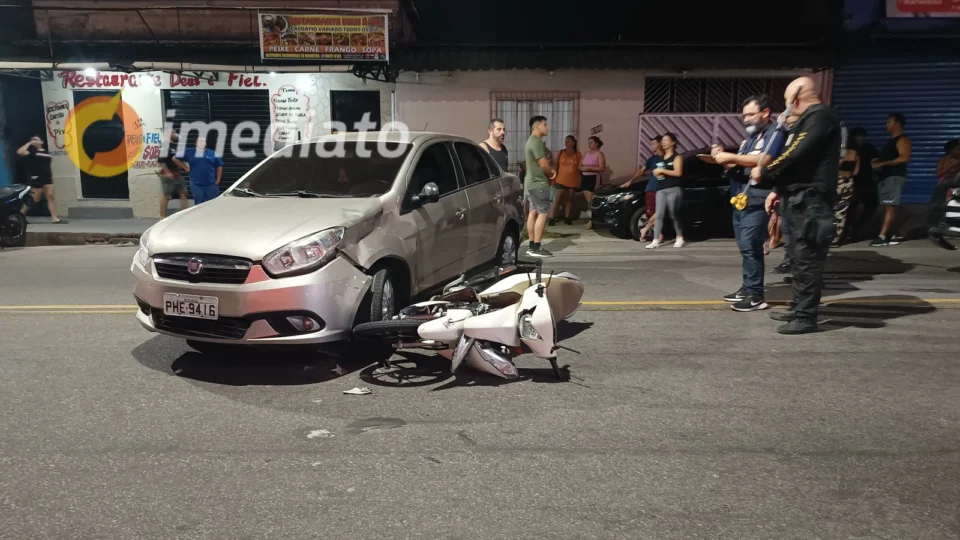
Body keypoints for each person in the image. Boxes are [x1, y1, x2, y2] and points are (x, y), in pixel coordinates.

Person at [752, 76, 840, 335]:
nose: (786, 109)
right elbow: (795, 161)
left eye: (787, 102)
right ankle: (798, 307)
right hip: (798, 198)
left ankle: (805, 316)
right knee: (798, 259)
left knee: (807, 260)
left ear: (796, 99)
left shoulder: (820, 116)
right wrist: (777, 190)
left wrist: (765, 172)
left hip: (811, 202)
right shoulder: (806, 120)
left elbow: (796, 154)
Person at [712, 94, 786, 312]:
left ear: (765, 112)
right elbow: (741, 167)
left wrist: (730, 157)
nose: (746, 119)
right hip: (741, 199)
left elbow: (766, 159)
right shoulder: (749, 139)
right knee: (745, 247)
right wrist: (723, 160)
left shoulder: (775, 133)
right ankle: (747, 288)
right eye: (744, 116)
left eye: (751, 114)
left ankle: (755, 295)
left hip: (758, 198)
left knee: (751, 246)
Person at [870, 113, 911, 247]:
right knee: (889, 207)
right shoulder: (891, 141)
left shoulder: (902, 139)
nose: (886, 125)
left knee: (890, 207)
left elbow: (904, 158)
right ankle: (893, 235)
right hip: (886, 178)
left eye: (888, 122)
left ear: (897, 124)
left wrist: (883, 163)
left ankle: (882, 237)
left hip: (894, 177)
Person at [523, 116, 557, 258]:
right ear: (537, 127)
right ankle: (536, 247)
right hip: (538, 184)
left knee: (533, 212)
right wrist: (551, 175)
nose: (547, 127)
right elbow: (543, 165)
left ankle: (531, 245)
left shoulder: (531, 142)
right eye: (545, 125)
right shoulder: (536, 142)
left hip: (530, 183)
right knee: (543, 213)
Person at [621, 135, 663, 242]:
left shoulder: (668, 158)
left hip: (663, 190)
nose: (651, 146)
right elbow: (641, 171)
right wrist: (630, 181)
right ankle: (654, 233)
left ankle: (652, 232)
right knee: (651, 213)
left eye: (653, 143)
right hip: (652, 189)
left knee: (660, 212)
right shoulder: (652, 159)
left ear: (660, 143)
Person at [647, 133, 686, 249]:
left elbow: (678, 173)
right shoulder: (659, 158)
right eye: (662, 140)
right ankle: (655, 240)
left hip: (674, 188)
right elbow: (658, 173)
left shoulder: (677, 157)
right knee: (659, 214)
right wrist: (658, 173)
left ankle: (679, 237)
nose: (663, 142)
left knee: (674, 214)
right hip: (661, 189)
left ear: (673, 142)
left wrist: (662, 171)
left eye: (666, 140)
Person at [17, 135, 67, 224]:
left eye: (36, 139)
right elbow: (20, 152)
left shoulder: (47, 152)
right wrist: (29, 143)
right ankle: (20, 216)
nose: (34, 141)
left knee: (50, 196)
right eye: (32, 140)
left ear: (41, 142)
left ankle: (54, 218)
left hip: (47, 178)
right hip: (37, 179)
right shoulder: (32, 152)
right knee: (34, 200)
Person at [846, 127, 879, 241]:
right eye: (857, 136)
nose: (860, 138)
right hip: (852, 182)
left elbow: (876, 163)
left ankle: (857, 229)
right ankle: (849, 232)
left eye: (862, 136)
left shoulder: (869, 148)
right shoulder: (849, 149)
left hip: (867, 182)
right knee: (850, 209)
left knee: (872, 206)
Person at [173, 136, 223, 205]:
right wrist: (185, 167)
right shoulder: (189, 152)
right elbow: (174, 158)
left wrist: (218, 179)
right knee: (199, 205)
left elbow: (219, 166)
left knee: (213, 204)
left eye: (204, 141)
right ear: (195, 143)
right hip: (196, 185)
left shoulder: (212, 153)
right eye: (200, 141)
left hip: (211, 184)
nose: (202, 143)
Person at [549, 135, 582, 226]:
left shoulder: (577, 154)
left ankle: (567, 218)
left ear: (573, 143)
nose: (566, 143)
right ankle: (552, 218)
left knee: (569, 200)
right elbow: (555, 165)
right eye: (565, 141)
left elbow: (580, 168)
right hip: (561, 179)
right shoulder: (560, 153)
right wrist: (554, 178)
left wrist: (579, 180)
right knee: (557, 200)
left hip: (572, 180)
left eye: (568, 141)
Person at [158, 129, 189, 219]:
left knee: (183, 193)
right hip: (167, 175)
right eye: (172, 132)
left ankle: (183, 215)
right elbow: (160, 161)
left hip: (177, 174)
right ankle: (162, 216)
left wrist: (184, 166)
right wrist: (167, 173)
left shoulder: (175, 145)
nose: (175, 133)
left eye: (175, 132)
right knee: (166, 196)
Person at [833, 143, 860, 245]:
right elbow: (856, 172)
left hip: (835, 181)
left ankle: (827, 236)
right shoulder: (855, 153)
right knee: (841, 211)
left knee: (830, 209)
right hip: (848, 182)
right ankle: (836, 239)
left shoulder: (836, 152)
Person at [578, 136, 605, 230]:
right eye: (588, 142)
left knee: (591, 201)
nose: (589, 144)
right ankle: (591, 220)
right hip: (585, 177)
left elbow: (602, 168)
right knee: (588, 201)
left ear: (596, 144)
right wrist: (583, 168)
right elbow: (580, 166)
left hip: (593, 177)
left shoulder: (599, 154)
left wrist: (590, 168)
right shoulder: (586, 153)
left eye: (591, 142)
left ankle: (592, 221)